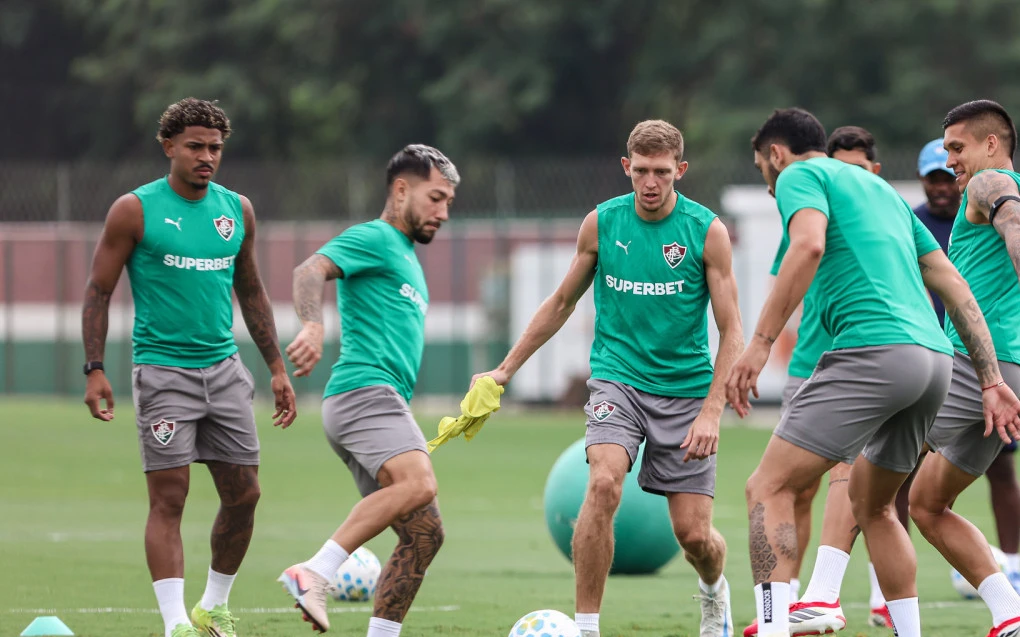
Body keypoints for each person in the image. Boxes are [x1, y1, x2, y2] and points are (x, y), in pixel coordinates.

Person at [727, 107, 1020, 637]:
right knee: (891, 504)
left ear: (775, 154)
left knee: (772, 486)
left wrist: (760, 345)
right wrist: (992, 381)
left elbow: (808, 244)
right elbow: (953, 286)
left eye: (762, 168)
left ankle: (795, 613)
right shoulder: (883, 193)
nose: (769, 183)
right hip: (940, 361)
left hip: (886, 354)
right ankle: (954, 622)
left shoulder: (799, 174)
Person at [473, 119, 744, 637]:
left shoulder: (707, 232)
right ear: (626, 167)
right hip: (617, 380)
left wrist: (712, 411)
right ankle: (586, 627)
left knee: (694, 537)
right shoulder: (601, 224)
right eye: (640, 171)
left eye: (661, 172)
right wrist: (505, 370)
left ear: (680, 170)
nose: (650, 182)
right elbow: (561, 302)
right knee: (602, 484)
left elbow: (733, 332)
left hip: (686, 392)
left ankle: (714, 592)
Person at [81, 97, 297, 637]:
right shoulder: (134, 210)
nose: (207, 157)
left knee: (245, 494)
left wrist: (276, 367)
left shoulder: (237, 210)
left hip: (225, 371)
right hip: (163, 373)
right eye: (195, 146)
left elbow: (252, 291)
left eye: (215, 148)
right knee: (170, 498)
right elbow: (98, 290)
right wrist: (94, 368)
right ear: (168, 147)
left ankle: (212, 607)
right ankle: (176, 624)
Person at [277, 144, 459, 636]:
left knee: (424, 535)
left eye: (448, 202)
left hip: (377, 401)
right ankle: (315, 571)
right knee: (419, 484)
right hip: (365, 393)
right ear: (401, 190)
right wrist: (313, 325)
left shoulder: (406, 258)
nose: (443, 213)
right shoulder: (377, 237)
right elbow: (309, 270)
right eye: (435, 198)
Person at [745, 126, 896, 637]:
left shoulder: (850, 201)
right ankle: (791, 598)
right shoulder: (812, 205)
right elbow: (791, 272)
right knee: (796, 487)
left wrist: (758, 345)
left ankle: (825, 597)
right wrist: (776, 339)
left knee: (845, 479)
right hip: (814, 360)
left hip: (861, 359)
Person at [908, 99, 1020, 637]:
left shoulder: (989, 183)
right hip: (1004, 373)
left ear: (991, 144)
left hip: (978, 368)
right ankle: (1009, 613)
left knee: (857, 472)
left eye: (957, 147)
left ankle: (819, 595)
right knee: (926, 504)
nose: (950, 159)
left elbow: (1011, 220)